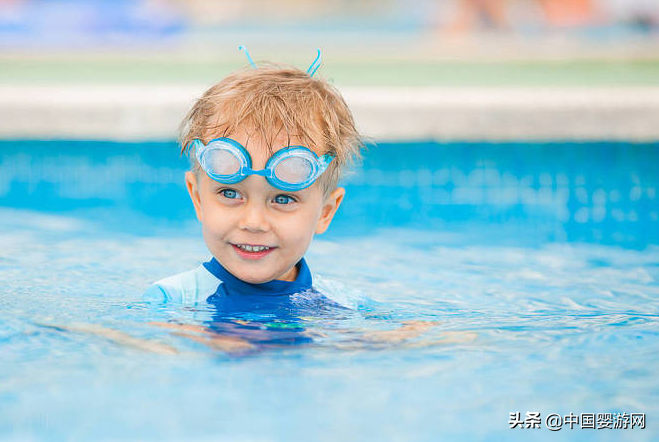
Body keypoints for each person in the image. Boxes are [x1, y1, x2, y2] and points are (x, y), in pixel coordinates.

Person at [144, 51, 362, 311]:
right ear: (198, 198)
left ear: (326, 212)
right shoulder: (172, 302)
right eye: (230, 193)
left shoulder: (344, 306)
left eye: (283, 199)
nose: (253, 223)